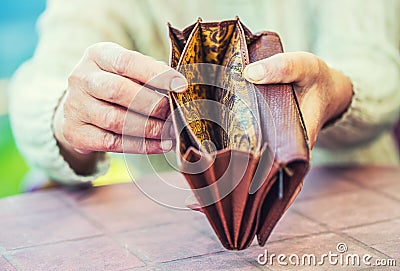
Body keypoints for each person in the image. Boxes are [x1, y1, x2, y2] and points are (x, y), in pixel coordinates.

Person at [9, 0, 400, 186]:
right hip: (179, 229)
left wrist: (336, 91)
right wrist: (68, 116)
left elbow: (377, 67)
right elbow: (45, 82)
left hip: (353, 193)